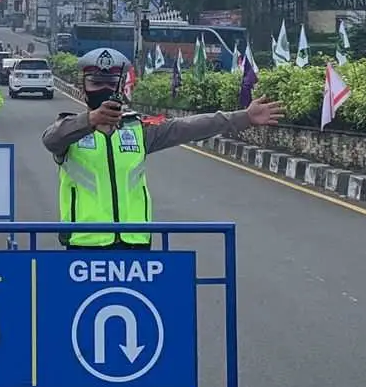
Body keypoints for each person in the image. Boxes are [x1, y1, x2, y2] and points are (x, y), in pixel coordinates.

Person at [41, 48, 286, 250]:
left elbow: (188, 127)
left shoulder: (137, 130)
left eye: (110, 83)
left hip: (135, 244)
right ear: (83, 88)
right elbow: (51, 139)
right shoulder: (69, 131)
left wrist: (244, 117)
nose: (103, 89)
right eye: (95, 83)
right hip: (85, 246)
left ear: (120, 87)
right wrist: (91, 120)